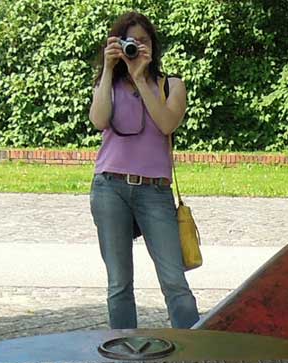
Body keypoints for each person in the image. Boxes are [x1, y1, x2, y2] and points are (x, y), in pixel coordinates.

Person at [88, 11, 199, 330]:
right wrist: (108, 69)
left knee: (174, 281)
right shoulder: (108, 83)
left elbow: (166, 123)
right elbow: (98, 120)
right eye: (129, 42)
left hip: (154, 191)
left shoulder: (171, 85)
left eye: (143, 41)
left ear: (153, 46)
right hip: (109, 187)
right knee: (119, 284)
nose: (136, 47)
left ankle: (195, 347)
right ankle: (123, 350)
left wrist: (140, 78)